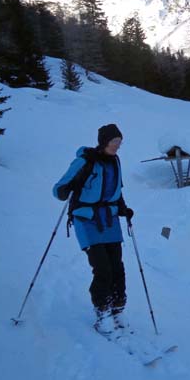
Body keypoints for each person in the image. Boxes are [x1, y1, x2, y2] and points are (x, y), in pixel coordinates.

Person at [52, 124, 134, 335]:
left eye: (119, 143)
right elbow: (59, 189)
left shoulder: (115, 161)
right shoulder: (85, 161)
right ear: (104, 141)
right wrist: (68, 188)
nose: (117, 146)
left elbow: (116, 188)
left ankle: (118, 309)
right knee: (103, 268)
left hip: (109, 219)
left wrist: (123, 208)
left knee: (117, 267)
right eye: (114, 142)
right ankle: (103, 311)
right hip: (87, 219)